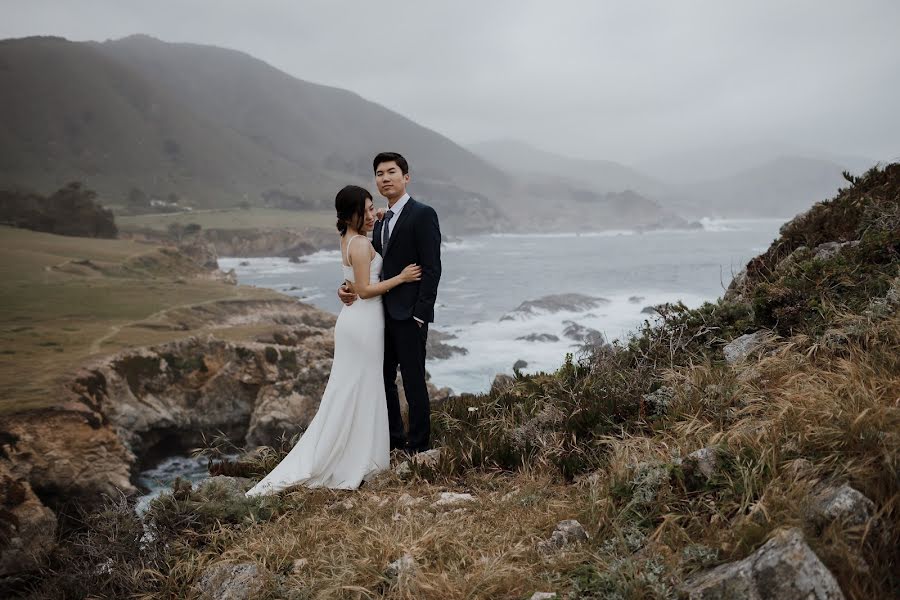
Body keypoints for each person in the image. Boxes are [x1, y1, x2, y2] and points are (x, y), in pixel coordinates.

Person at [246, 185, 421, 495]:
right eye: (366, 210)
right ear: (351, 214)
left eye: (372, 208)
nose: (371, 214)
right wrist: (402, 278)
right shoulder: (360, 245)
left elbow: (353, 282)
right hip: (364, 323)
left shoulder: (348, 238)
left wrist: (377, 217)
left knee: (354, 387)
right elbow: (365, 290)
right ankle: (356, 459)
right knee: (360, 387)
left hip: (356, 321)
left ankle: (359, 454)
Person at [338, 152, 442, 454]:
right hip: (378, 316)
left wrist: (421, 315)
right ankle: (394, 441)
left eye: (391, 172)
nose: (385, 178)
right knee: (382, 380)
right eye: (379, 174)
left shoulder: (423, 214)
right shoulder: (380, 222)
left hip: (409, 316)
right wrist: (346, 289)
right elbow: (369, 270)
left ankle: (419, 448)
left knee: (413, 381)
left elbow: (432, 268)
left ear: (406, 177)